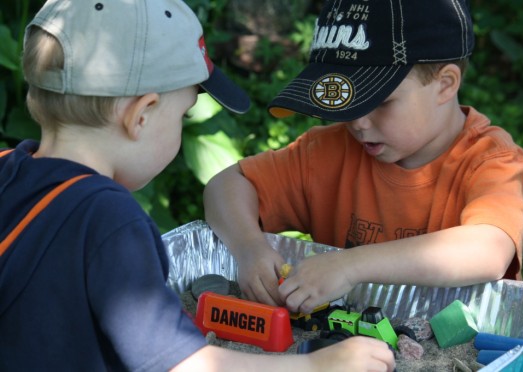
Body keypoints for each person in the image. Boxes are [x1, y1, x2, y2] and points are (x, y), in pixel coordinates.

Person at [0, 0, 395, 371]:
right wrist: (312, 365)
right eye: (184, 116)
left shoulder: (7, 172)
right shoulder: (109, 219)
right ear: (141, 115)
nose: (182, 126)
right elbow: (183, 364)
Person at [204, 0, 523, 315]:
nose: (358, 122)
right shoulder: (327, 154)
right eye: (348, 102)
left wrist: (351, 265)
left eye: (381, 102)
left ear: (445, 85)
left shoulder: (490, 162)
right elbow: (226, 186)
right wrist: (249, 247)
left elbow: (488, 249)